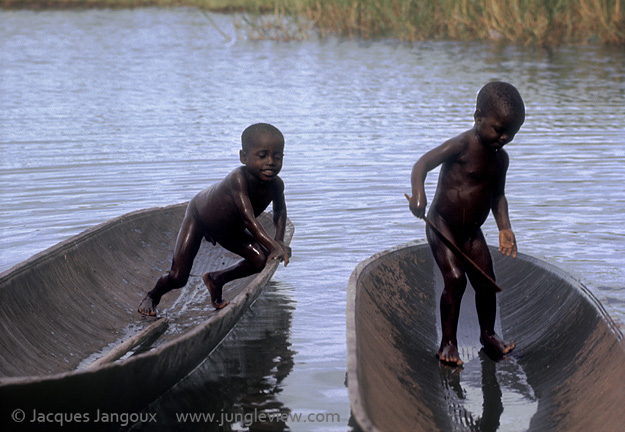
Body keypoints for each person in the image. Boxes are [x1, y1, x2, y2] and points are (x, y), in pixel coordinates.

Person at [405, 81, 525, 366]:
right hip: (442, 224)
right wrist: (418, 197)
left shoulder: (501, 160)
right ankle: (448, 343)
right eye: (499, 129)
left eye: (512, 132)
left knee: (486, 282)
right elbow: (421, 165)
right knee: (456, 280)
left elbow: (498, 197)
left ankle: (488, 335)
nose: (505, 137)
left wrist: (505, 228)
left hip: (471, 232)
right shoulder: (461, 145)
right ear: (478, 117)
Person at [138, 123, 291, 316]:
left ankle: (216, 279)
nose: (270, 162)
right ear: (244, 157)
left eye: (277, 157)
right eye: (262, 156)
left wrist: (278, 241)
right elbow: (248, 219)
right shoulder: (238, 179)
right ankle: (152, 296)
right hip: (200, 217)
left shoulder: (277, 185)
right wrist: (274, 247)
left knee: (259, 261)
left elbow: (280, 212)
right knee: (178, 277)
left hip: (228, 228)